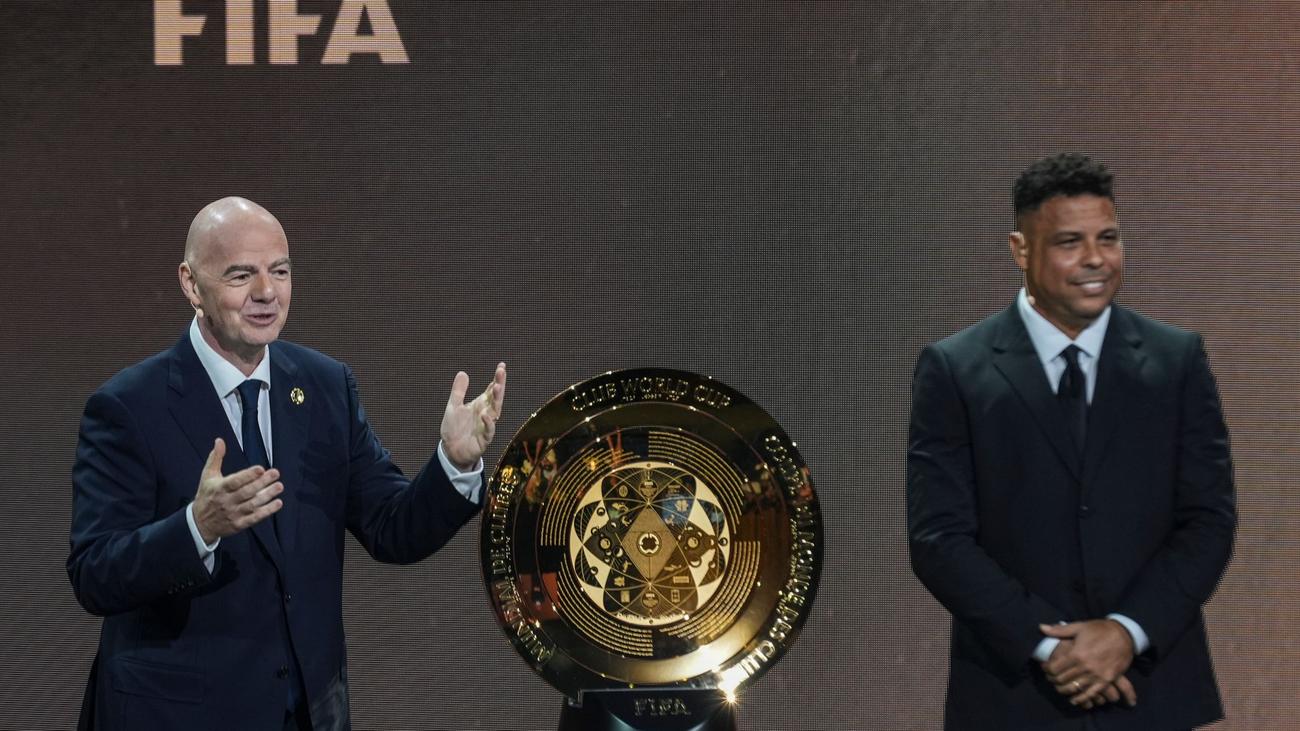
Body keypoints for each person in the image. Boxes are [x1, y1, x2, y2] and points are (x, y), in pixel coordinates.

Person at [67, 197, 507, 731]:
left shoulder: (325, 387)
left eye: (279, 270)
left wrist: (454, 463)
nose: (266, 292)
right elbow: (95, 574)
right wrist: (196, 528)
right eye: (241, 275)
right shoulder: (129, 407)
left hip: (310, 713)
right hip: (178, 714)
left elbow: (393, 529)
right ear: (191, 284)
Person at [907, 154, 1235, 730]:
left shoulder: (1176, 360)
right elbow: (939, 539)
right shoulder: (955, 369)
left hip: (1150, 692)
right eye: (1069, 242)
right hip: (1015, 697)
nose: (1095, 259)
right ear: (1020, 250)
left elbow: (1208, 520)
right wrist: (1051, 647)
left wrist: (1126, 632)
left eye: (1108, 238)